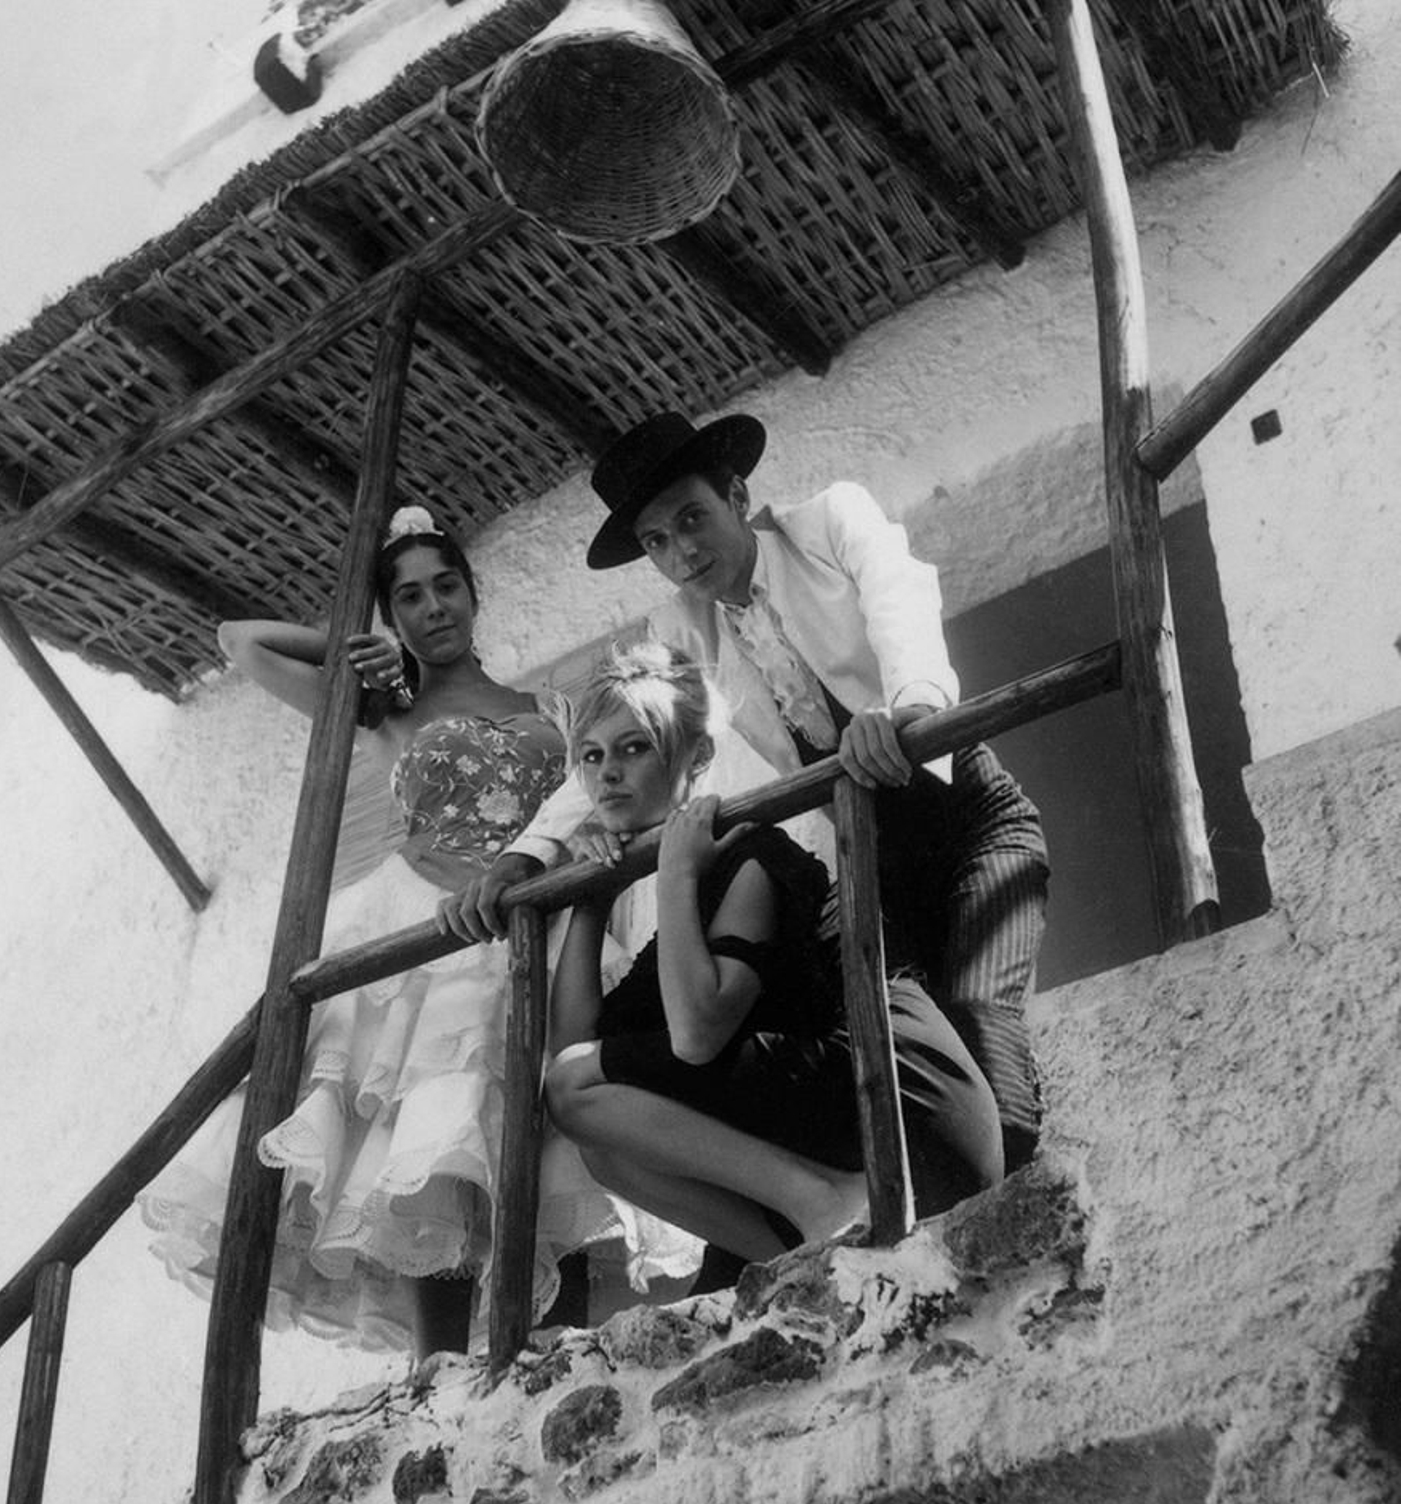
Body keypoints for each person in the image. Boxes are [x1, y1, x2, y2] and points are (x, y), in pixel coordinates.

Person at [140, 508, 696, 1359]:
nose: (433, 608)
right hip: (428, 926)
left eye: (445, 587)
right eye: (408, 598)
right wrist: (353, 648)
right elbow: (239, 640)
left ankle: (561, 1354)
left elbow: (597, 794)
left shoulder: (546, 706)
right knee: (429, 1145)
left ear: (474, 596)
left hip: (533, 926)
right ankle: (435, 1370)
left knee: (550, 1138)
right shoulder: (378, 708)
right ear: (390, 616)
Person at [441, 413, 1050, 1176]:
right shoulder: (682, 626)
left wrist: (911, 710)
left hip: (971, 821)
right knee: (911, 1061)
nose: (682, 551)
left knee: (984, 1033)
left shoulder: (829, 521)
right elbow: (622, 728)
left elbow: (902, 598)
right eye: (657, 540)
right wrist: (528, 854)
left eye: (692, 518)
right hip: (874, 862)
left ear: (736, 495)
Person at [543, 642, 1003, 1258]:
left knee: (579, 1083)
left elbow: (697, 1036)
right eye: (592, 756)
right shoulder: (686, 903)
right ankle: (792, 1260)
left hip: (903, 1103)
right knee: (602, 1143)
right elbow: (573, 1054)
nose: (608, 773)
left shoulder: (753, 851)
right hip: (846, 1126)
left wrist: (675, 873)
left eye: (634, 747)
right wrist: (593, 899)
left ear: (698, 755)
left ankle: (824, 1202)